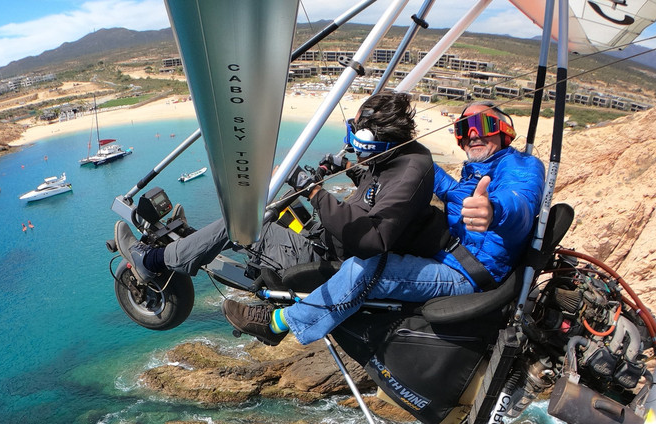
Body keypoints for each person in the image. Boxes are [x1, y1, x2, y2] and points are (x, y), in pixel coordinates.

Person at [222, 101, 546, 346]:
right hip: (448, 254)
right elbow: (433, 181)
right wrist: (354, 166)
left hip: (466, 274)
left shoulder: (522, 166)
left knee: (369, 268)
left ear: (504, 130)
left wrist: (493, 209)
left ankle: (279, 323)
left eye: (483, 124)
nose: (473, 133)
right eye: (464, 128)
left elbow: (522, 203)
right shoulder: (473, 175)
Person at [114, 90, 442, 297]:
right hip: (324, 237)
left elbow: (373, 240)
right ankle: (189, 242)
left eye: (362, 149)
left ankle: (153, 260)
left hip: (329, 260)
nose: (361, 155)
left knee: (248, 222)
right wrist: (350, 169)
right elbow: (377, 193)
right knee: (276, 207)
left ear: (377, 143)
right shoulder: (396, 156)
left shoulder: (411, 170)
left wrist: (312, 190)